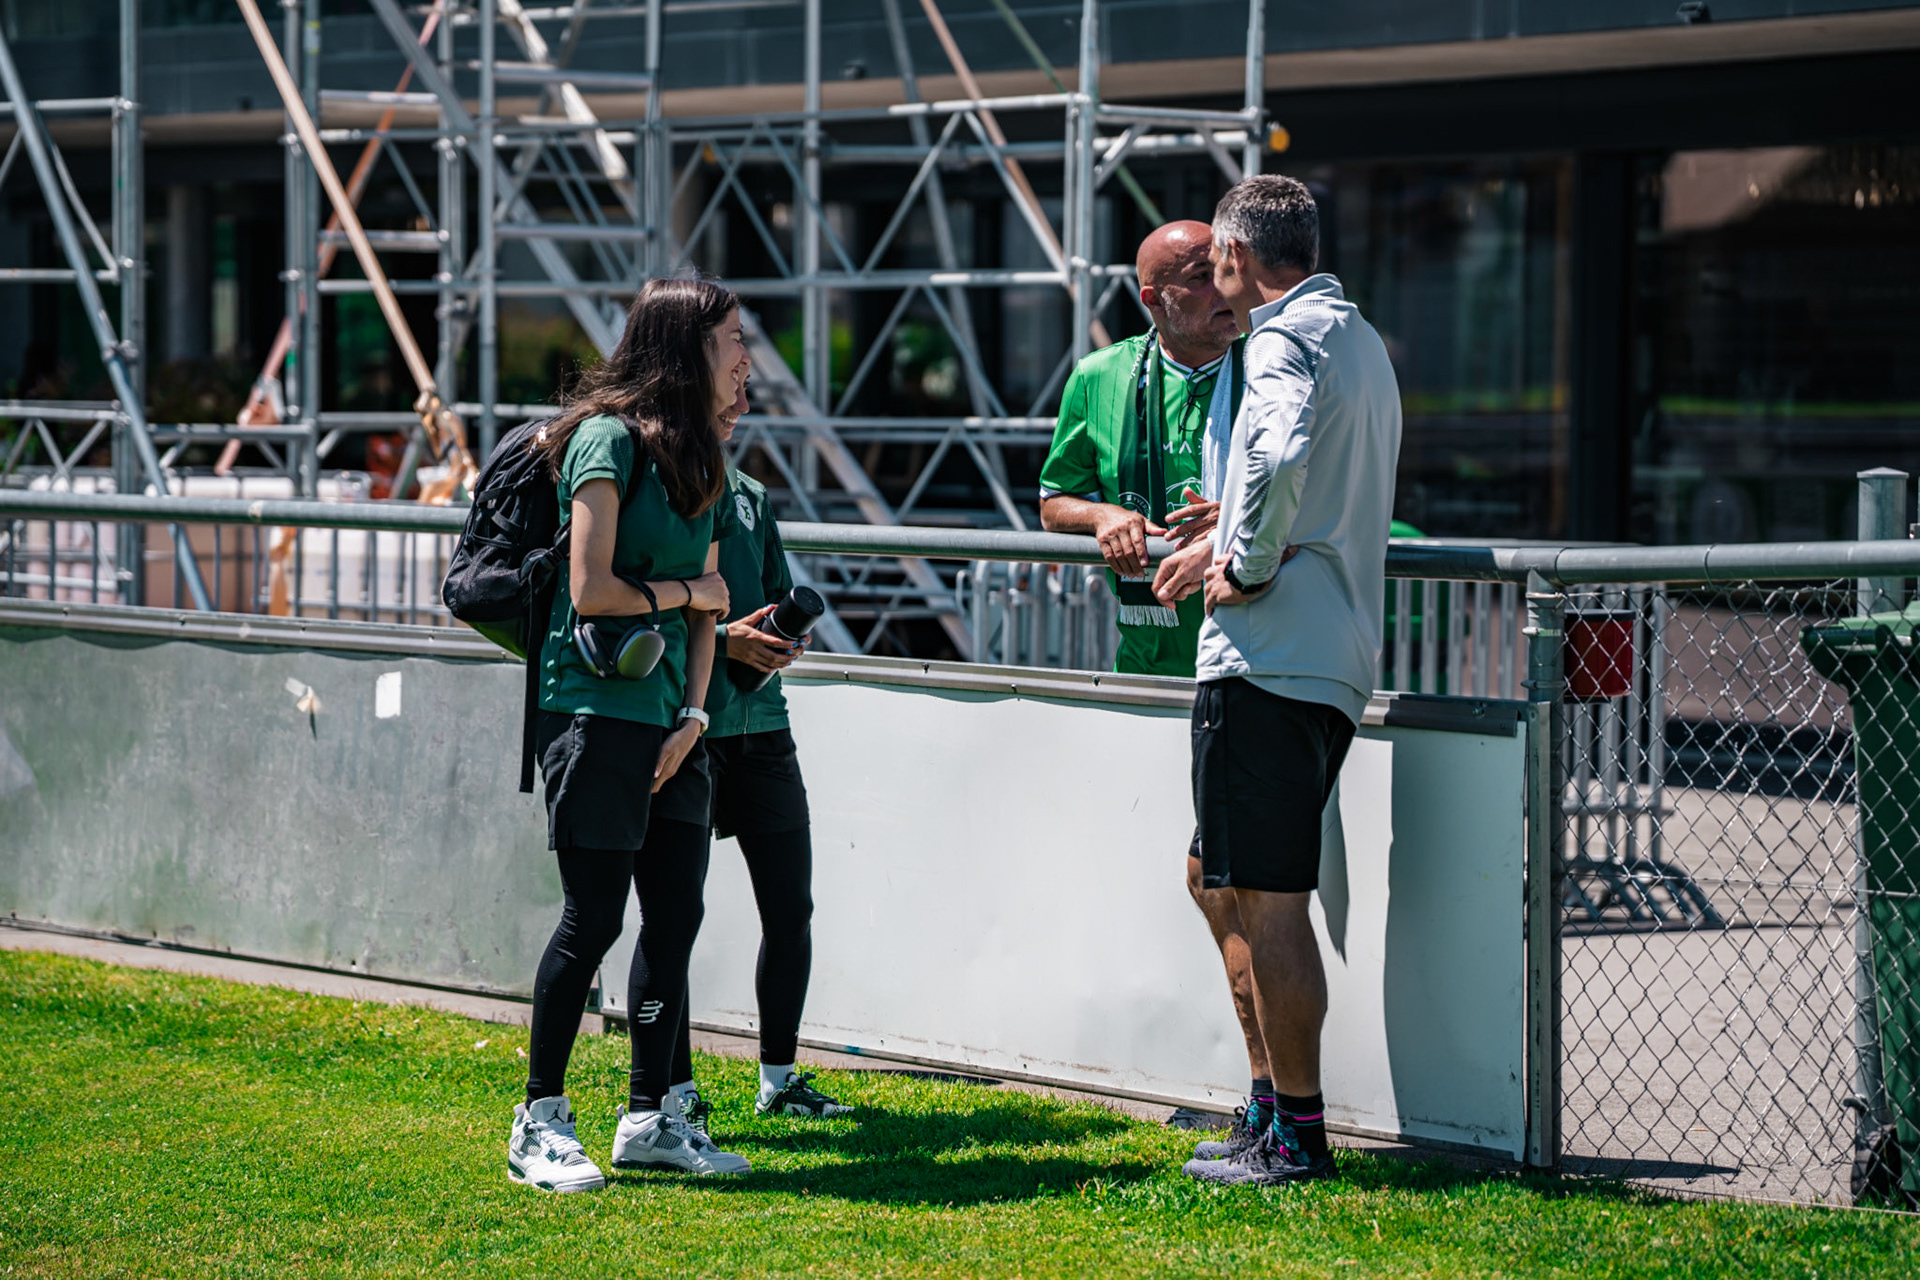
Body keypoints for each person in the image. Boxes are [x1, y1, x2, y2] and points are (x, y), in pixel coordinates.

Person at [1172, 175, 1404, 1187]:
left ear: (1235, 257)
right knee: (1216, 876)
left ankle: (1296, 1132)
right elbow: (1301, 463)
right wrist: (1230, 520)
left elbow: (1282, 444)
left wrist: (1244, 560)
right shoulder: (1354, 335)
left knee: (1267, 898)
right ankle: (1270, 1106)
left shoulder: (1279, 336)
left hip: (1271, 651)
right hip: (1326, 652)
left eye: (1215, 261)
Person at [508, 277, 755, 1193]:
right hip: (591, 713)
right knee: (595, 918)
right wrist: (688, 596)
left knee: (677, 915)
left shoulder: (707, 459)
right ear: (681, 343)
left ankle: (650, 1116)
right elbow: (590, 588)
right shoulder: (604, 439)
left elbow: (714, 604)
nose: (743, 356)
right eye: (731, 336)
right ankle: (539, 1118)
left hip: (670, 726)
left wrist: (695, 716)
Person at [1039, 222, 1280, 1152]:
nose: (1225, 291)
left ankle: (1273, 1096)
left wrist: (1238, 522)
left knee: (1228, 883)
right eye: (1200, 278)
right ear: (1153, 298)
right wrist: (1106, 517)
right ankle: (1252, 1089)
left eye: (1228, 274)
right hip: (1147, 681)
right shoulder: (1101, 378)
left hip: (1249, 665)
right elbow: (1053, 497)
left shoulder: (1270, 364)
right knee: (1202, 884)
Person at [660, 386, 853, 1133]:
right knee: (676, 914)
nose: (739, 402)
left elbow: (772, 595)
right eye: (726, 391)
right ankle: (670, 1089)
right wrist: (725, 641)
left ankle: (778, 1076)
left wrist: (779, 639)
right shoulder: (661, 487)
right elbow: (643, 600)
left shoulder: (750, 495)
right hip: (687, 727)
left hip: (761, 723)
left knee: (790, 906)